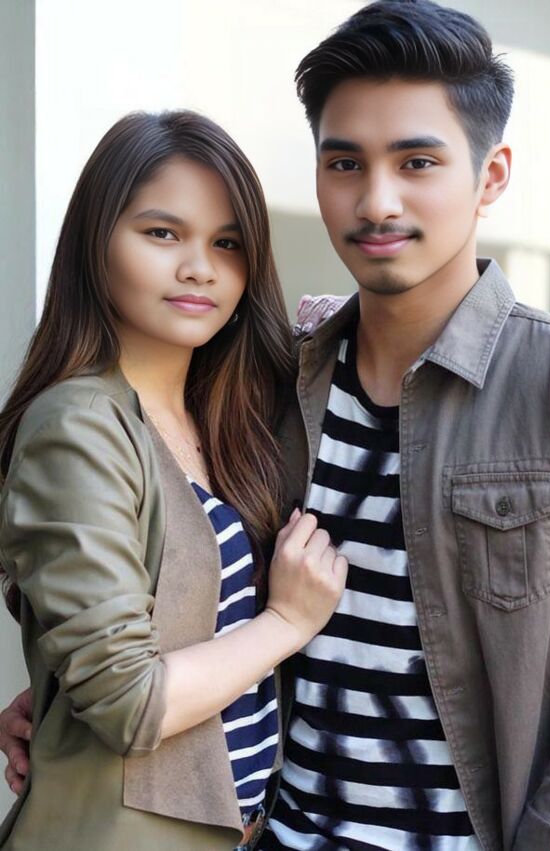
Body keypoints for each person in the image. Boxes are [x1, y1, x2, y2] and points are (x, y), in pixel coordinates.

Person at [4, 1, 550, 849]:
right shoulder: (278, 382)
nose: (377, 200)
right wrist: (59, 699)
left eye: (417, 161)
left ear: (490, 177)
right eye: (345, 162)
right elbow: (193, 592)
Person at [0, 110, 347, 851]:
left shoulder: (225, 416)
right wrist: (287, 623)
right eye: (163, 233)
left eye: (227, 243)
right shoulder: (78, 425)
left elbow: (166, 625)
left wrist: (60, 690)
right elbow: (130, 703)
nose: (200, 268)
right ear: (97, 241)